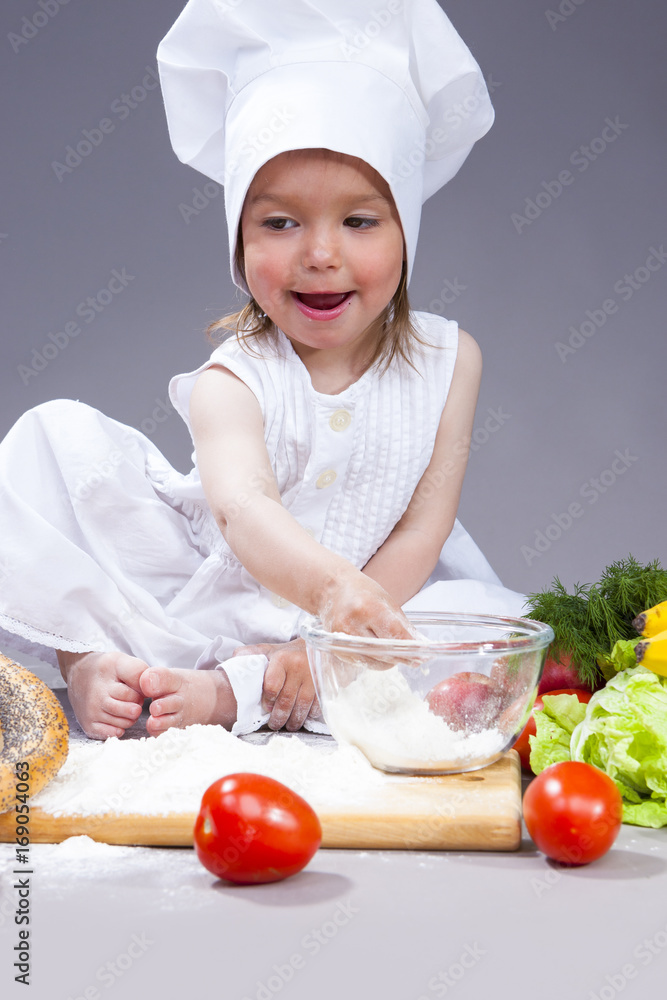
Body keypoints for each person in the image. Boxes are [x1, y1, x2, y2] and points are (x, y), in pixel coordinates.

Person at [0, 0, 520, 742]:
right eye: (279, 222)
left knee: (495, 628)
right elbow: (243, 512)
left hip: (376, 599)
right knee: (50, 439)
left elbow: (423, 526)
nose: (319, 252)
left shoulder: (450, 361)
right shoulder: (234, 379)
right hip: (223, 589)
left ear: (408, 231)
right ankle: (90, 657)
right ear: (238, 240)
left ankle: (229, 692)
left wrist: (344, 633)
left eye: (359, 220)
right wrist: (328, 590)